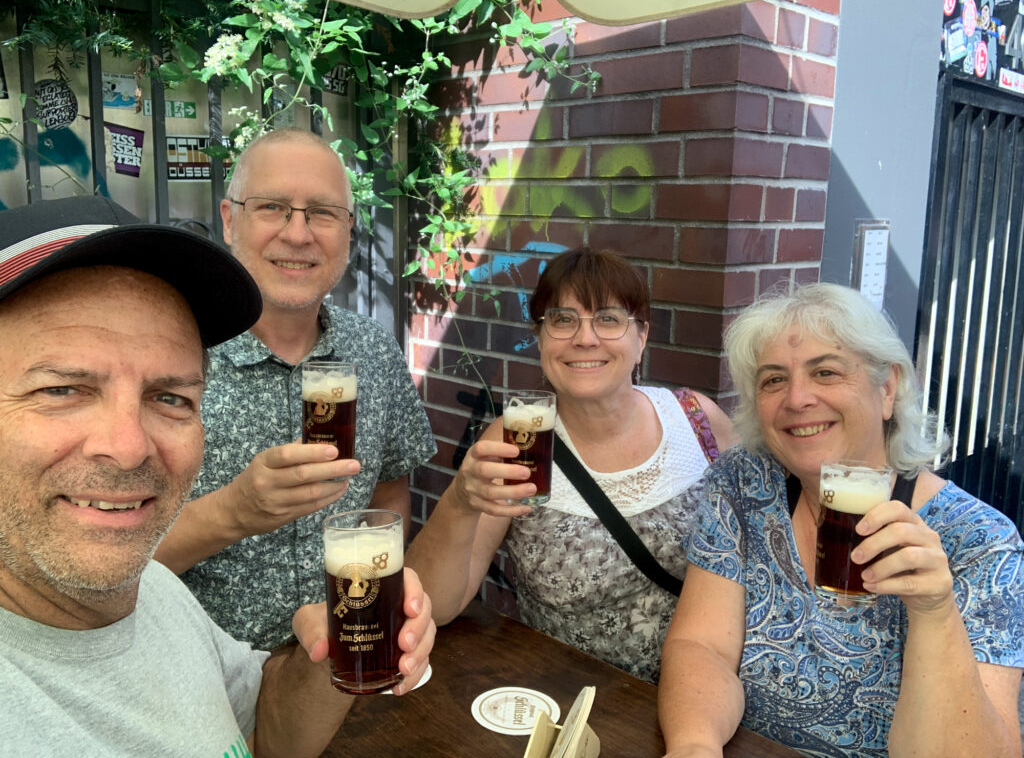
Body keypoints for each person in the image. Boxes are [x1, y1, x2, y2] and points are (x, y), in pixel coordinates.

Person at [0, 196, 434, 756]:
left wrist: (328, 649)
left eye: (170, 397)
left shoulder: (153, 591)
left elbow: (264, 731)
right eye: (62, 389)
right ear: (233, 216)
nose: (129, 447)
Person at [658, 283, 1024, 758]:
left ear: (887, 388)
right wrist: (694, 745)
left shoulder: (979, 540)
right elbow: (702, 646)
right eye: (773, 380)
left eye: (825, 372)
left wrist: (934, 613)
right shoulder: (746, 481)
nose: (797, 398)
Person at [154, 128, 436, 650]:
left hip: (346, 669)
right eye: (273, 207)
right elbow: (110, 558)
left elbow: (391, 487)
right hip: (199, 679)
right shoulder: (166, 355)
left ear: (349, 229)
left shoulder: (372, 349)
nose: (299, 234)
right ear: (229, 218)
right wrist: (233, 512)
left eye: (323, 213)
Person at [406, 247, 736, 682]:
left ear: (641, 337)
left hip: (706, 698)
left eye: (609, 319)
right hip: (573, 702)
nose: (585, 338)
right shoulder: (515, 442)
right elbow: (435, 606)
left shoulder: (699, 420)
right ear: (540, 339)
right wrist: (460, 503)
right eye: (562, 320)